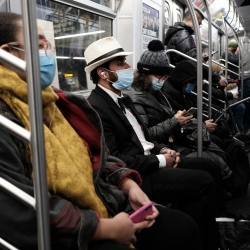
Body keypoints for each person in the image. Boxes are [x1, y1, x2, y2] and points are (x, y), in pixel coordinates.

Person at [0, 12, 203, 250]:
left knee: (183, 225)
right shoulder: (13, 118)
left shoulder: (55, 102)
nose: (48, 52)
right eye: (39, 44)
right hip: (67, 227)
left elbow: (95, 154)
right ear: (7, 52)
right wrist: (104, 228)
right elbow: (17, 207)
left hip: (105, 192)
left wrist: (127, 183)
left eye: (49, 45)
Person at [86, 36, 224, 250]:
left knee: (209, 167)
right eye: (120, 63)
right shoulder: (96, 108)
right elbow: (116, 158)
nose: (128, 67)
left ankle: (211, 230)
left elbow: (144, 138)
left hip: (151, 158)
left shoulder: (123, 98)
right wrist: (160, 160)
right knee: (202, 182)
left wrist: (164, 149)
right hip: (139, 173)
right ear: (103, 73)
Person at [124, 40, 231, 182]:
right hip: (161, 147)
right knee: (210, 161)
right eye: (158, 77)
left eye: (165, 77)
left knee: (215, 149)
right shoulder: (136, 98)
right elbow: (145, 134)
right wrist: (175, 121)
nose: (162, 80)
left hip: (171, 139)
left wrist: (182, 120)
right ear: (145, 74)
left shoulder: (156, 91)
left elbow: (167, 116)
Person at [165, 8, 228, 88]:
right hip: (183, 81)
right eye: (199, 24)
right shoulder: (183, 35)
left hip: (181, 78)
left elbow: (187, 57)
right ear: (195, 20)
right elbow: (195, 62)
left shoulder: (179, 33)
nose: (198, 27)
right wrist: (217, 77)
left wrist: (200, 57)